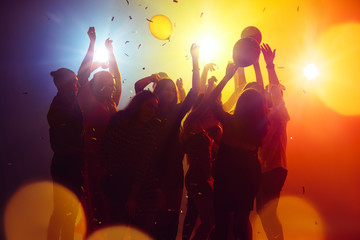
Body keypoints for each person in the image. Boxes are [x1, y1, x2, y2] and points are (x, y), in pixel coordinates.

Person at [134, 43, 201, 240]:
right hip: (152, 172)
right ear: (158, 92)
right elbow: (138, 86)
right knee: (151, 220)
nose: (170, 93)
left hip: (174, 172)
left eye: (173, 90)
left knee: (171, 217)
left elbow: (195, 91)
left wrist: (195, 59)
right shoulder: (148, 111)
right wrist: (154, 78)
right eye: (166, 90)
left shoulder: (176, 113)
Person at [208, 62, 268, 240]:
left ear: (240, 103)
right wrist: (260, 66)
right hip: (249, 177)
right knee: (241, 224)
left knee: (222, 225)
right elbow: (264, 99)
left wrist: (227, 76)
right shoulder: (259, 128)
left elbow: (212, 101)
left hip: (226, 176)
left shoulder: (229, 121)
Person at [77, 26, 122, 233]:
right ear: (97, 83)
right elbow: (83, 74)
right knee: (96, 207)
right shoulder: (88, 100)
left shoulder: (112, 103)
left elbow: (118, 80)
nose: (111, 85)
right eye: (106, 82)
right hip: (93, 161)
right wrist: (93, 44)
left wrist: (111, 53)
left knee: (113, 209)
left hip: (113, 162)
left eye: (111, 83)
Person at [99, 90, 161, 235]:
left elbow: (142, 165)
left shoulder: (150, 130)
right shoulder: (119, 120)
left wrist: (133, 196)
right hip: (117, 182)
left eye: (154, 108)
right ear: (139, 105)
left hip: (140, 187)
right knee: (116, 229)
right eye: (149, 106)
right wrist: (103, 170)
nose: (152, 111)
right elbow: (105, 145)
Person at [256, 44, 290, 240]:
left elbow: (275, 91)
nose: (268, 93)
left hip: (275, 167)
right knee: (262, 211)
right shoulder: (262, 114)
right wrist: (254, 64)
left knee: (267, 211)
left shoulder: (280, 112)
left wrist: (269, 66)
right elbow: (262, 89)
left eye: (272, 93)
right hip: (264, 168)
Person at [47, 68, 84, 240]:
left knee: (71, 213)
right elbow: (60, 146)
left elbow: (85, 72)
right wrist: (86, 151)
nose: (77, 84)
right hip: (64, 167)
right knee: (62, 212)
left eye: (76, 81)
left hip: (75, 165)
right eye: (73, 82)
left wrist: (92, 44)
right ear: (62, 85)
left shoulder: (71, 100)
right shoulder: (58, 109)